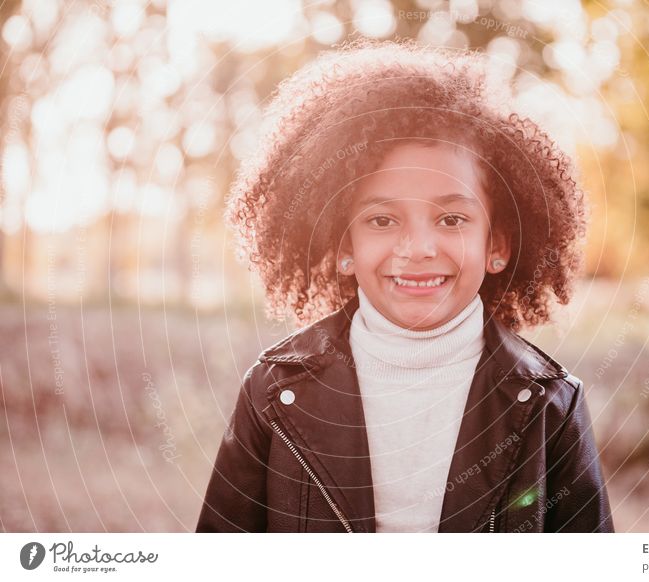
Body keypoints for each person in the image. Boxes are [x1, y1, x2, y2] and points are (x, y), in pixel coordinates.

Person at [196, 39, 613, 533]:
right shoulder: (273, 393)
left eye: (452, 218)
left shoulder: (550, 404)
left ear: (496, 245)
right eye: (382, 220)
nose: (417, 247)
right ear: (343, 245)